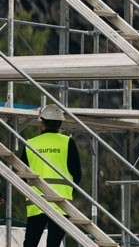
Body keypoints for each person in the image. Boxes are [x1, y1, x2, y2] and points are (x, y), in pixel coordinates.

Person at [22, 105, 81, 247]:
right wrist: (68, 191)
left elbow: (21, 174)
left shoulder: (30, 144)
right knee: (54, 243)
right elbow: (77, 173)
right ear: (60, 123)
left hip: (36, 202)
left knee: (30, 243)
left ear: (41, 122)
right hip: (61, 203)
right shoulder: (67, 142)